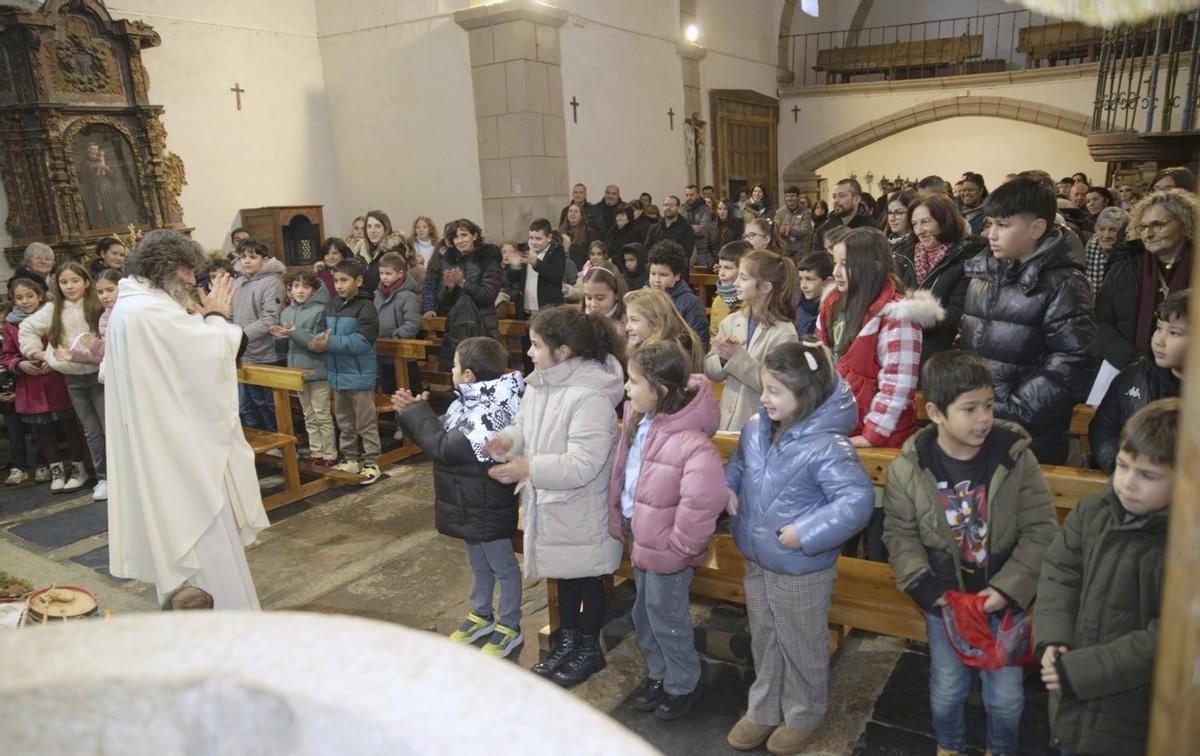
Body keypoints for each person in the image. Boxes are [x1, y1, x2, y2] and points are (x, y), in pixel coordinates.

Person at [883, 349, 1057, 756]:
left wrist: (1008, 590)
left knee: (1007, 698)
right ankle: (949, 746)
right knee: (946, 688)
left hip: (1003, 603)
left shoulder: (1015, 458)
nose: (984, 418)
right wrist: (927, 587)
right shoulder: (909, 468)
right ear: (936, 412)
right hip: (946, 602)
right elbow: (900, 535)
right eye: (970, 408)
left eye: (989, 405)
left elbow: (1041, 530)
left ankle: (1000, 749)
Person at [105, 229, 270, 608]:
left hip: (165, 444)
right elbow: (212, 355)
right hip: (181, 457)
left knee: (190, 550)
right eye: (186, 272)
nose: (190, 281)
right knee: (205, 548)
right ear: (165, 268)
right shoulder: (149, 312)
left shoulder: (132, 307)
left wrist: (207, 318)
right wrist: (215, 315)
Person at [724, 341, 874, 754]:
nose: (765, 398)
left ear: (804, 395)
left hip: (801, 566)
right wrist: (728, 487)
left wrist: (806, 532)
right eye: (764, 388)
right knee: (765, 636)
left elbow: (856, 501)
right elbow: (738, 463)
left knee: (800, 642)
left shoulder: (828, 445)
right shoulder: (756, 426)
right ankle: (764, 707)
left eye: (775, 391)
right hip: (757, 556)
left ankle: (804, 712)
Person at [484, 307, 626, 687]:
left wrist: (528, 468)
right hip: (552, 505)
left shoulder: (590, 397)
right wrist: (507, 441)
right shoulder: (541, 384)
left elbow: (583, 465)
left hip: (582, 509)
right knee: (564, 578)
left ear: (562, 352)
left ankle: (588, 647)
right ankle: (567, 642)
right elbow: (526, 428)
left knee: (587, 580)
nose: (529, 353)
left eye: (535, 346)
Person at [1036, 397, 1177, 756]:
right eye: (1122, 465)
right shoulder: (1092, 511)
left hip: (1134, 715)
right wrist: (1053, 638)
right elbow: (1060, 573)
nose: (1127, 483)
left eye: (1147, 475)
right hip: (1073, 699)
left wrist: (1083, 671)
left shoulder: (1183, 546)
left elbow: (1171, 638)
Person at [608, 341, 726, 720]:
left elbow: (702, 503)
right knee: (644, 614)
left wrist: (679, 548)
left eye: (634, 381)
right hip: (643, 539)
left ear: (659, 390)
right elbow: (628, 473)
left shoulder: (692, 444)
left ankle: (683, 682)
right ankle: (659, 674)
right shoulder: (643, 423)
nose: (627, 388)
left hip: (669, 551)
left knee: (667, 617)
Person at [394, 337, 526, 658]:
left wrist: (417, 414)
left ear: (468, 375)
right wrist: (416, 413)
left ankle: (510, 625)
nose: (449, 370)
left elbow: (446, 448)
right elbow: (444, 431)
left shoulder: (491, 408)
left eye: (454, 365)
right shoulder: (469, 400)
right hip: (468, 499)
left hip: (487, 501)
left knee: (502, 566)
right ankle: (481, 614)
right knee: (478, 562)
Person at [958, 176, 1098, 465]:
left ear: (1036, 228)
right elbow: (969, 343)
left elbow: (1073, 361)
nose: (992, 235)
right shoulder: (983, 275)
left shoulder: (1064, 284)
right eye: (990, 224)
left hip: (1031, 433)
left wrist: (1013, 407)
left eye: (1004, 225)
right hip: (977, 420)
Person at [817, 228, 942, 450]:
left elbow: (898, 384)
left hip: (880, 436)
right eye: (835, 262)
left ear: (873, 266)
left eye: (845, 264)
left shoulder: (897, 316)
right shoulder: (832, 303)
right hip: (838, 424)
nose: (836, 272)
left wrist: (872, 435)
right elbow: (820, 360)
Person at [19, 261, 105, 498]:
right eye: (64, 282)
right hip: (73, 378)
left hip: (100, 376)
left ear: (86, 282)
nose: (69, 286)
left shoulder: (96, 304)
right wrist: (39, 353)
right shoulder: (54, 308)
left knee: (110, 427)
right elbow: (27, 328)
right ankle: (103, 477)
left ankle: (120, 475)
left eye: (75, 281)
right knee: (91, 430)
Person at [2, 276, 88, 493]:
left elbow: (64, 340)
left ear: (39, 296)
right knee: (43, 430)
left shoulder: (52, 313)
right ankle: (56, 471)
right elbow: (7, 355)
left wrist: (53, 360)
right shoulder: (10, 324)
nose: (24, 301)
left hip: (57, 378)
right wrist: (20, 365)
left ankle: (78, 467)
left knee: (69, 426)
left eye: (29, 296)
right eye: (19, 297)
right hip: (31, 386)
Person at [1094, 189, 1196, 370]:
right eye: (1143, 227)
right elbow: (1100, 322)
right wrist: (1133, 360)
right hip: (1128, 369)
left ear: (1184, 223)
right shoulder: (1124, 268)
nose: (1148, 234)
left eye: (1158, 225)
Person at [1088, 289, 1185, 474]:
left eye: (1174, 333)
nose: (1158, 340)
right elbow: (1104, 429)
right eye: (1158, 328)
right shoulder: (1132, 377)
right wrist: (1123, 468)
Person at [705, 251, 799, 432]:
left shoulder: (785, 333)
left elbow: (777, 386)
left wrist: (735, 357)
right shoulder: (731, 321)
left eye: (743, 278)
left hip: (759, 427)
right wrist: (722, 358)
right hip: (727, 422)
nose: (736, 283)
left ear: (765, 287)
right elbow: (712, 373)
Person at [309, 257, 383, 485]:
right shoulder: (331, 305)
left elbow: (361, 342)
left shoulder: (366, 307)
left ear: (358, 281)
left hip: (359, 376)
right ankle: (350, 458)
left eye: (344, 280)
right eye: (336, 280)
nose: (339, 285)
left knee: (365, 422)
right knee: (344, 421)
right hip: (337, 375)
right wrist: (315, 342)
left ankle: (372, 461)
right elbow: (319, 332)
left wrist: (328, 343)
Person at [906, 195, 984, 367]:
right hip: (902, 351)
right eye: (914, 224)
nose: (919, 230)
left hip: (937, 358)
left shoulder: (965, 260)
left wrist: (916, 313)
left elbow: (957, 315)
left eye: (925, 222)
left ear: (944, 220)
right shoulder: (904, 256)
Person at [272, 270, 335, 467]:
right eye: (296, 286)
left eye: (305, 287)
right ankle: (316, 452)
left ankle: (330, 454)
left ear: (314, 290)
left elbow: (318, 343)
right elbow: (284, 348)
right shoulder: (287, 312)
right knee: (308, 414)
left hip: (318, 370)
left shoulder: (321, 310)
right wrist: (280, 338)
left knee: (322, 414)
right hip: (297, 371)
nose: (300, 291)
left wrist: (293, 333)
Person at [231, 239, 285, 432]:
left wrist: (239, 336)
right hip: (243, 353)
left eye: (252, 257)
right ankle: (263, 446)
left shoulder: (272, 282)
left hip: (266, 353)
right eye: (243, 256)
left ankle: (280, 444)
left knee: (269, 404)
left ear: (265, 259)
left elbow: (269, 318)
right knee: (251, 405)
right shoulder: (238, 282)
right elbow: (230, 313)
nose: (246, 261)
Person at [373, 251, 422, 411]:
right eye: (381, 273)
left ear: (400, 273)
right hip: (383, 351)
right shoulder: (377, 294)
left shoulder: (408, 296)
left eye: (388, 273)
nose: (384, 277)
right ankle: (395, 421)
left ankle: (410, 424)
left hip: (403, 353)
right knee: (389, 390)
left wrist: (396, 335)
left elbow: (413, 323)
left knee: (408, 390)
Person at [625, 288, 706, 374]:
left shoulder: (673, 356)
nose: (627, 327)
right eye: (627, 320)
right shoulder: (642, 347)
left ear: (656, 322)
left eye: (634, 320)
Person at [647, 241, 708, 351]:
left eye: (663, 275)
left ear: (677, 276)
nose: (656, 280)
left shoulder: (691, 303)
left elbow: (699, 345)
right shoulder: (643, 298)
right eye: (653, 273)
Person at [505, 218, 566, 319]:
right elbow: (512, 280)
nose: (533, 242)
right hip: (525, 310)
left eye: (538, 239)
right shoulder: (524, 250)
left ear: (549, 237)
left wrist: (536, 263)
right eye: (531, 238)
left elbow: (556, 276)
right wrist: (515, 267)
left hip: (548, 310)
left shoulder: (557, 252)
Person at [355, 210, 406, 294]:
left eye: (377, 226)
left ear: (386, 228)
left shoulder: (394, 252)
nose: (372, 230)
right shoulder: (360, 251)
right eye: (369, 226)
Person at [814, 178, 874, 250]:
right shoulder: (825, 228)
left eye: (841, 196)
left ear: (856, 199)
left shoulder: (871, 228)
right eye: (834, 196)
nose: (836, 201)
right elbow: (817, 258)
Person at [709, 240, 748, 342]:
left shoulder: (750, 303)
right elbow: (714, 337)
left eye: (728, 268)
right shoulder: (718, 301)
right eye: (720, 267)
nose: (721, 273)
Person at [1083, 206, 1128, 292]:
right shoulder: (1091, 246)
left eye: (1113, 230)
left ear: (1124, 233)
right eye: (1102, 229)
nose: (1106, 235)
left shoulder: (1131, 253)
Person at [883, 190, 919, 289]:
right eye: (890, 213)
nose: (892, 218)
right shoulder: (883, 242)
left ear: (912, 214)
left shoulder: (916, 247)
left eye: (898, 213)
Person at [794, 250, 834, 338]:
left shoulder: (832, 313)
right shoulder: (798, 307)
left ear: (828, 282)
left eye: (809, 279)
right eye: (800, 279)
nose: (803, 286)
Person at [579, 265, 627, 330]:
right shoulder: (579, 322)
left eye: (600, 298)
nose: (593, 305)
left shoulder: (627, 326)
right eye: (589, 298)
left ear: (616, 295)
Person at [774, 186, 813, 260]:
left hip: (799, 252)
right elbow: (775, 231)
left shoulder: (805, 212)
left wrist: (790, 230)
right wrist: (780, 231)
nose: (789, 198)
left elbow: (806, 230)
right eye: (787, 196)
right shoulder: (779, 212)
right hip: (783, 251)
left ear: (798, 197)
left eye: (792, 196)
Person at [560, 203, 601, 269]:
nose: (572, 214)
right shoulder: (561, 232)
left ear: (581, 215)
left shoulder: (589, 231)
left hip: (583, 269)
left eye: (576, 211)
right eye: (570, 211)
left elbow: (593, 251)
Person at [683, 184, 713, 267]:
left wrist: (687, 229)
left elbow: (703, 230)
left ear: (697, 195)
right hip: (686, 250)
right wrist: (694, 227)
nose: (689, 197)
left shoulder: (705, 208)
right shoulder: (683, 209)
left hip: (701, 251)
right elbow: (680, 229)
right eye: (687, 195)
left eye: (692, 195)